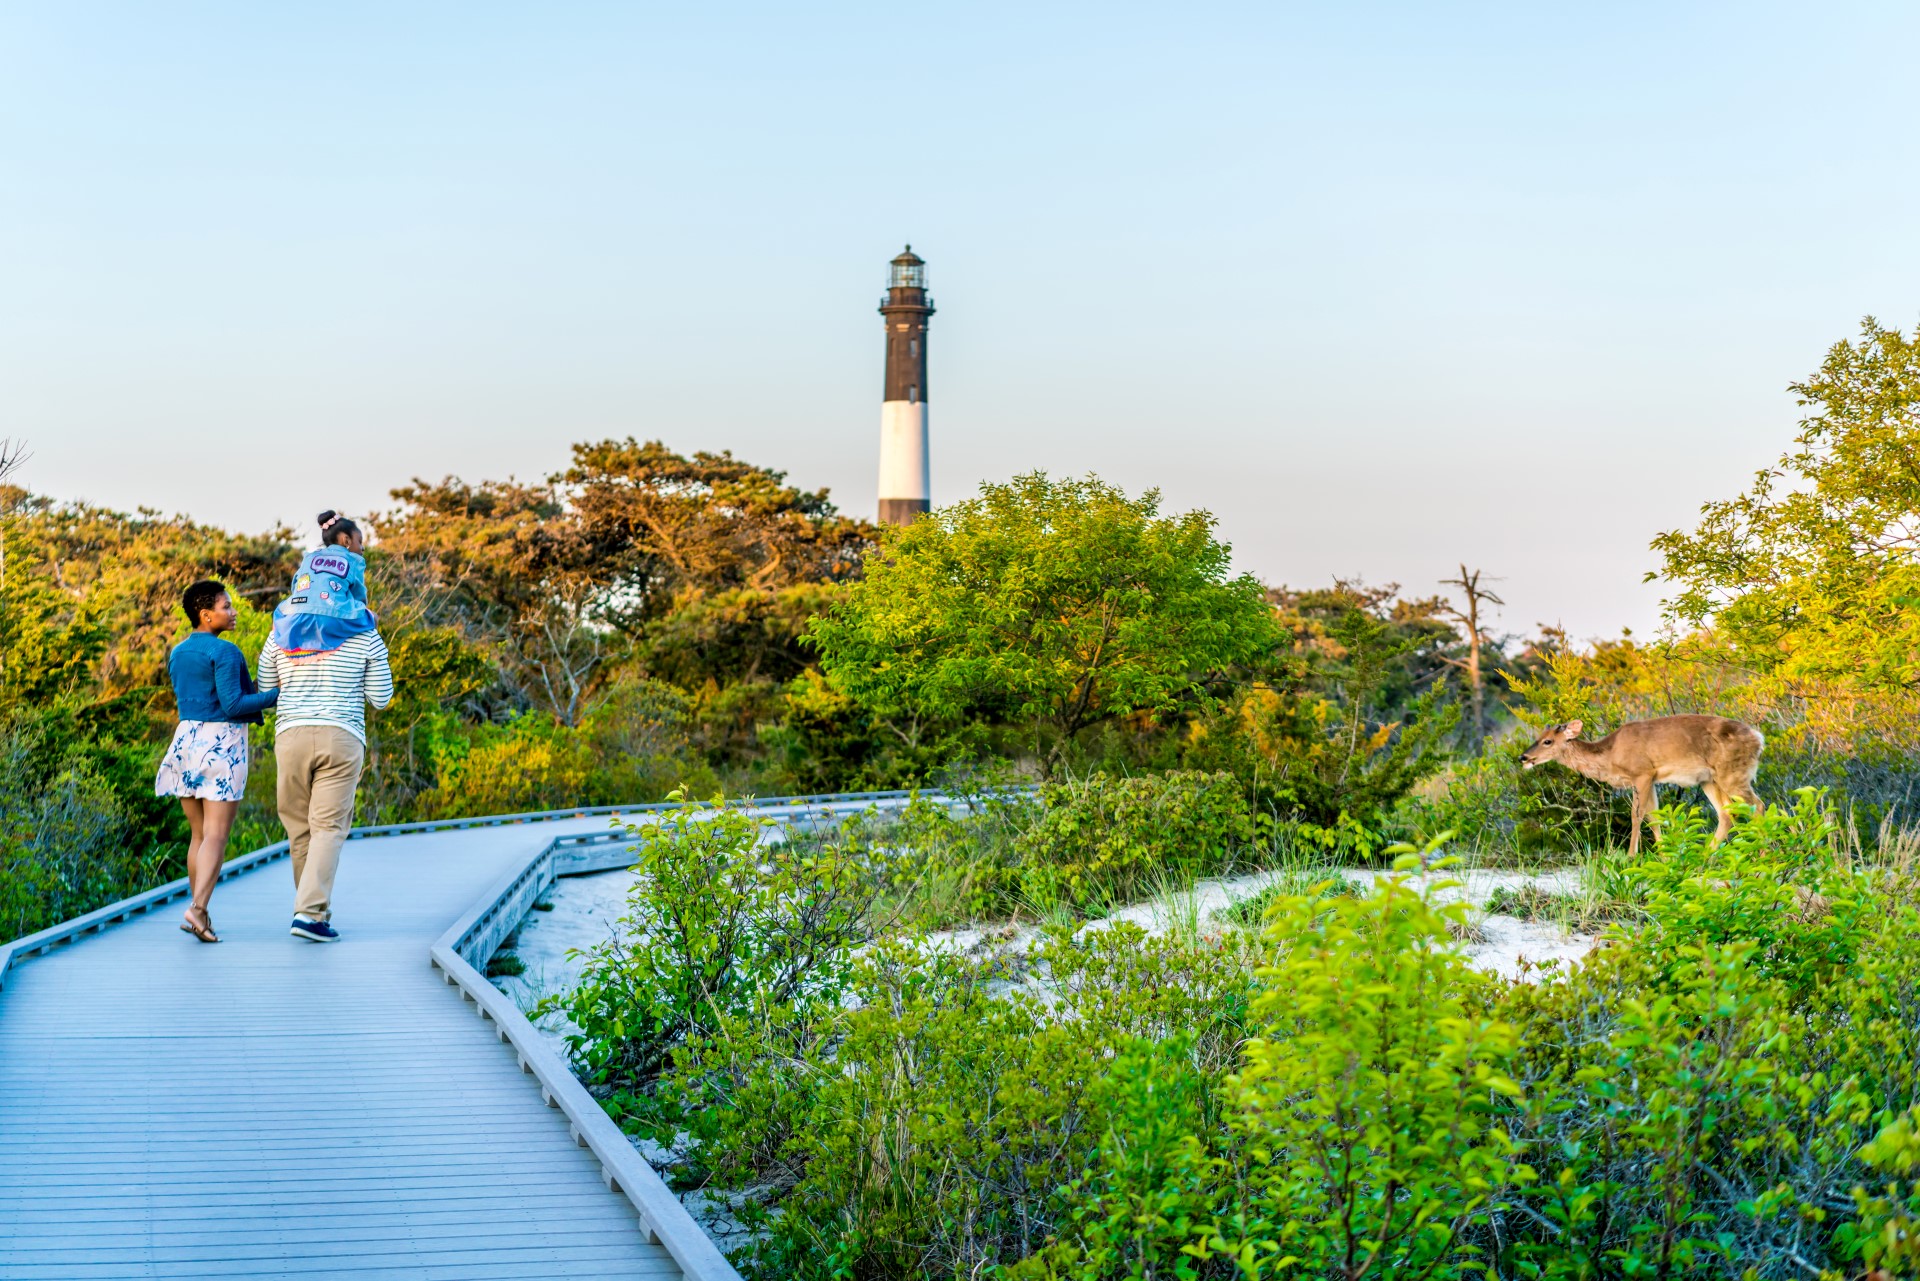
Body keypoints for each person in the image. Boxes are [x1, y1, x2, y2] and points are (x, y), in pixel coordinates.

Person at [256, 512, 394, 943]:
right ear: (349, 546)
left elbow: (265, 684)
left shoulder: (281, 630)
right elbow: (382, 698)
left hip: (291, 735)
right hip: (341, 734)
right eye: (362, 541)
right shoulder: (365, 632)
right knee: (329, 828)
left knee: (300, 829)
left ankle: (309, 911)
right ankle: (311, 914)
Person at [155, 580, 280, 943]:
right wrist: (280, 693)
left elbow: (211, 696)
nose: (233, 611)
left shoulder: (178, 652)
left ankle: (200, 913)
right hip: (220, 745)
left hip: (185, 743)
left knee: (198, 835)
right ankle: (196, 908)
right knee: (217, 835)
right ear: (206, 614)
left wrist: (263, 689)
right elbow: (234, 705)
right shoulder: (225, 652)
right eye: (227, 607)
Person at [272, 509, 378, 657]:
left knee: (279, 612)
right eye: (360, 542)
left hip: (297, 615)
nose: (362, 548)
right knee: (370, 617)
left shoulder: (309, 558)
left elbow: (295, 585)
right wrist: (363, 612)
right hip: (331, 618)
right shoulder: (354, 560)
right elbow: (359, 596)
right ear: (346, 541)